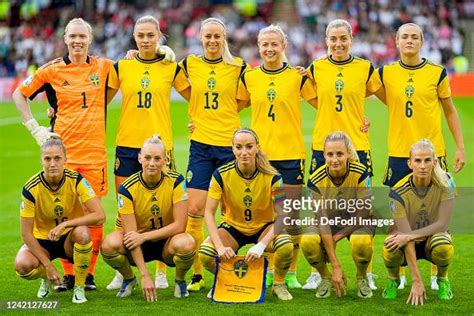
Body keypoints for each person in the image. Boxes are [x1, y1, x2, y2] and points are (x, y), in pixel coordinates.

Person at [12, 17, 115, 291]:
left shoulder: (104, 67)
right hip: (62, 158)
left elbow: (125, 74)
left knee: (92, 216)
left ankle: (88, 274)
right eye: (72, 36)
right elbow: (19, 95)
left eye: (82, 36)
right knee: (64, 215)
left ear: (90, 39)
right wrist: (35, 128)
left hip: (94, 155)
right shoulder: (51, 70)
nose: (77, 40)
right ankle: (69, 275)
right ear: (65, 39)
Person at [375, 22, 465, 290]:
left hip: (433, 155)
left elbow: (450, 110)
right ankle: (399, 275)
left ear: (422, 42)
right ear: (397, 42)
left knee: (438, 216)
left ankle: (440, 275)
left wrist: (460, 147)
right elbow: (361, 93)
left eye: (415, 37)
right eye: (405, 37)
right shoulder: (386, 73)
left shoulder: (437, 73)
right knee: (397, 219)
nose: (410, 41)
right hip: (399, 156)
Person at [105, 15, 190, 291]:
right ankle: (123, 271)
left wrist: (198, 120)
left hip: (159, 147)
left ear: (159, 36)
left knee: (163, 209)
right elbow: (99, 101)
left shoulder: (171, 67)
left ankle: (162, 271)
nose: (145, 40)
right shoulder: (123, 66)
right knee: (124, 210)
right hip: (128, 146)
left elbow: (197, 95)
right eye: (140, 35)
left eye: (150, 35)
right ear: (133, 36)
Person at [236, 24, 317, 289]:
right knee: (268, 215)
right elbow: (232, 107)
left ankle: (291, 271)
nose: (269, 49)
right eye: (265, 44)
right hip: (261, 157)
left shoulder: (298, 77)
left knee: (291, 215)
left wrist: (359, 120)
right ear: (258, 47)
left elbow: (323, 103)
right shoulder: (250, 77)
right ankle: (270, 269)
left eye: (274, 44)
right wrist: (198, 123)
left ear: (284, 46)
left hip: (291, 153)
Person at [305, 19, 381, 290]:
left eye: (343, 38)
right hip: (323, 146)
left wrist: (363, 119)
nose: (338, 43)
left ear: (351, 39)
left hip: (357, 146)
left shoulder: (364, 68)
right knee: (320, 210)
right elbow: (315, 99)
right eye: (333, 39)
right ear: (326, 40)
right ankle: (319, 270)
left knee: (363, 209)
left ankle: (366, 271)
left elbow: (379, 93)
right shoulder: (315, 68)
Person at [179, 17, 250, 292]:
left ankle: (231, 268)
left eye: (217, 36)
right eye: (207, 36)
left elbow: (244, 99)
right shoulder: (189, 64)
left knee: (228, 210)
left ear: (224, 38)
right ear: (200, 37)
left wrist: (226, 114)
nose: (212, 41)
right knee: (195, 209)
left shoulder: (238, 66)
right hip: (200, 145)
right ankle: (198, 274)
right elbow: (177, 83)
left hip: (228, 145)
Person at [199, 128, 294, 300]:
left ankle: (279, 284)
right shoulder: (220, 175)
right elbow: (208, 212)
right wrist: (220, 247)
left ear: (257, 147)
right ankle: (226, 281)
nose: (244, 152)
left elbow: (283, 216)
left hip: (264, 227)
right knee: (206, 253)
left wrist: (262, 245)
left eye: (249, 146)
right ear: (232, 149)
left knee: (286, 245)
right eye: (239, 147)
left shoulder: (274, 177)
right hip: (233, 228)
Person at [101, 135, 196, 302]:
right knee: (109, 245)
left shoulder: (177, 181)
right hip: (139, 246)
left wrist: (144, 236)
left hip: (167, 244)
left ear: (165, 160)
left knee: (187, 243)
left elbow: (180, 226)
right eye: (147, 158)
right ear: (139, 158)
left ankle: (180, 280)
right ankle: (130, 279)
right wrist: (145, 275)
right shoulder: (127, 188)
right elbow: (131, 236)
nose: (152, 163)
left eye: (157, 158)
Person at [14, 137, 105, 304]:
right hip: (42, 241)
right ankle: (46, 277)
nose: (52, 163)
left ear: (65, 159)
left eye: (57, 158)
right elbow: (26, 234)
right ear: (41, 160)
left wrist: (66, 224)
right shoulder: (30, 188)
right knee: (22, 266)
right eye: (47, 159)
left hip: (68, 239)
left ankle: (79, 287)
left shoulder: (76, 180)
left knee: (84, 234)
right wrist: (48, 266)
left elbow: (100, 216)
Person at [301, 131, 374, 299]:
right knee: (308, 240)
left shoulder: (360, 173)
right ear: (324, 156)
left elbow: (363, 213)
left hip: (357, 219)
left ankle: (362, 277)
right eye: (330, 154)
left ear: (348, 154)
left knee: (360, 241)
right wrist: (335, 265)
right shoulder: (315, 180)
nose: (334, 159)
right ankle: (326, 277)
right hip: (329, 221)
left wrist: (336, 238)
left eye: (339, 154)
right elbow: (322, 220)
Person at [382, 139, 455, 305]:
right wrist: (416, 280)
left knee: (443, 244)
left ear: (435, 162)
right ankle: (393, 280)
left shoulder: (446, 183)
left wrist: (408, 236)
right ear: (410, 163)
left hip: (432, 237)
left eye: (427, 160)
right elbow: (404, 234)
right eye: (418, 160)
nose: (422, 166)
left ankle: (442, 279)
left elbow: (442, 223)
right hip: (407, 239)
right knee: (391, 246)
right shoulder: (398, 192)